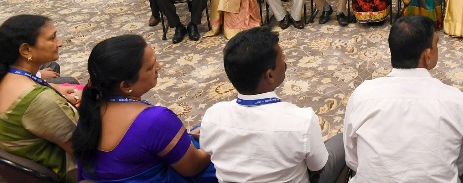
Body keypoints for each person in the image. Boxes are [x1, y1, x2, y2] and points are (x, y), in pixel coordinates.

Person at [201, 27, 345, 182]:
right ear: (270, 75)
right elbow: (318, 167)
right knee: (345, 139)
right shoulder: (301, 120)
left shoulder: (212, 117)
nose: (285, 62)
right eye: (282, 58)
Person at [72, 35, 216, 182]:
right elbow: (193, 167)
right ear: (126, 85)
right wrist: (218, 140)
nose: (159, 66)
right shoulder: (155, 120)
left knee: (197, 131)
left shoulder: (89, 113)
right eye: (150, 67)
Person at [344, 16, 463, 182]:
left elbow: (353, 160)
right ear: (427, 55)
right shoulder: (455, 100)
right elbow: (460, 162)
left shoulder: (362, 95)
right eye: (436, 45)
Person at [0, 15, 79, 182]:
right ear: (26, 50)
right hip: (67, 171)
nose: (60, 43)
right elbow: (83, 147)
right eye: (52, 38)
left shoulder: (8, 76)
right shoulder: (38, 100)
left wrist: (53, 87)